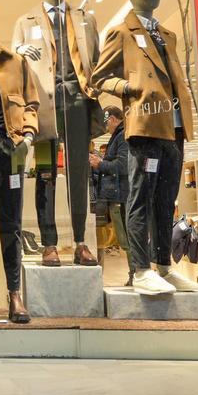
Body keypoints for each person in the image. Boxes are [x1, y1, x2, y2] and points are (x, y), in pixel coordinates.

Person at [90, 106, 129, 283]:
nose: (106, 126)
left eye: (106, 122)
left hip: (120, 196)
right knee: (123, 238)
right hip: (115, 196)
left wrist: (100, 164)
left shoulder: (122, 137)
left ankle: (135, 274)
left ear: (113, 119)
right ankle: (135, 274)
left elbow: (122, 166)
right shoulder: (119, 136)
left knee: (126, 238)